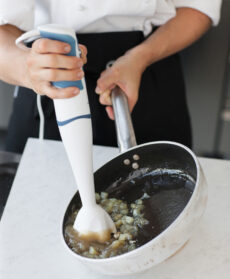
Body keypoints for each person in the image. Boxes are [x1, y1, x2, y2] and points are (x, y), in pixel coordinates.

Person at [0, 0, 222, 153]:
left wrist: (140, 58)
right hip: (51, 70)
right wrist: (27, 68)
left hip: (149, 66)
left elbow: (198, 6)